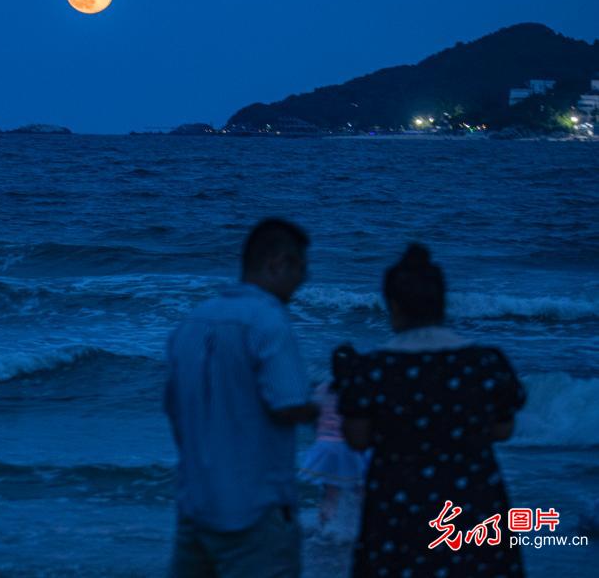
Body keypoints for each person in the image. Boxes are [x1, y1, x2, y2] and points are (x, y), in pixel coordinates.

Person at [335, 245, 525, 577]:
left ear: (393, 306)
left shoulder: (372, 370)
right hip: (473, 507)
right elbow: (502, 430)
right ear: (442, 305)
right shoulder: (484, 363)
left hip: (397, 511)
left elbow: (357, 438)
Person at [165, 218, 317, 578]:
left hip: (195, 507)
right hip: (255, 512)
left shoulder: (191, 323)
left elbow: (175, 411)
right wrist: (324, 405)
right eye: (301, 267)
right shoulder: (268, 320)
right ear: (278, 264)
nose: (304, 279)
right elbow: (290, 402)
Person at [298, 379, 367, 532]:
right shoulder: (356, 389)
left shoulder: (322, 388)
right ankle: (361, 528)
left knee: (330, 494)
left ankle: (324, 531)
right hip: (347, 447)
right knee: (361, 491)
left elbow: (314, 420)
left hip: (323, 447)